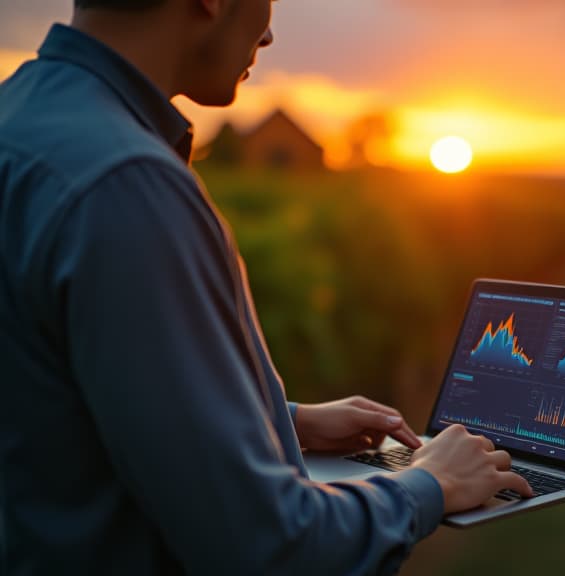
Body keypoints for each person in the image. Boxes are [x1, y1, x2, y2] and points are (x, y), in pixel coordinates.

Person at [0, 0, 532, 573]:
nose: (270, 32)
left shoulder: (20, 121)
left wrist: (277, 418)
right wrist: (431, 483)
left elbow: (48, 408)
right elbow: (267, 547)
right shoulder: (127, 184)